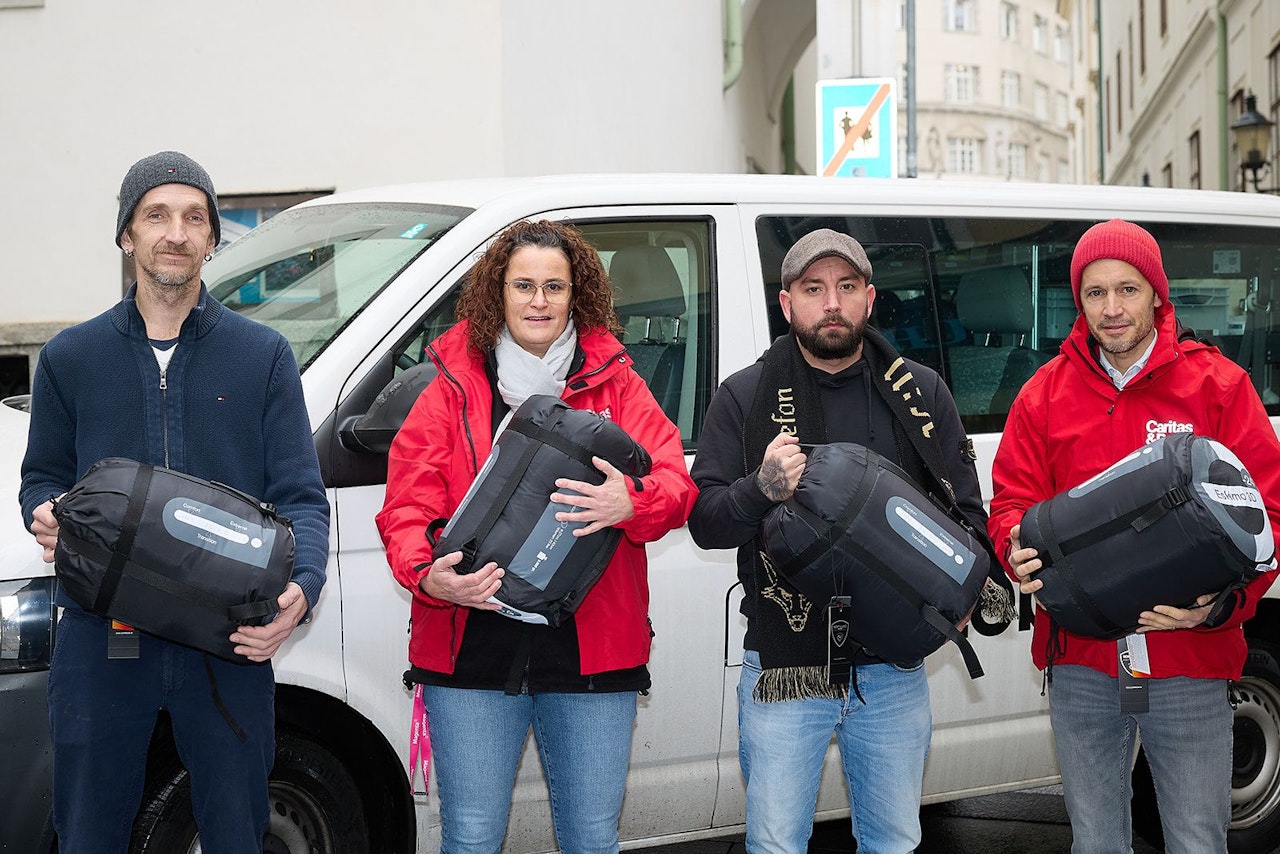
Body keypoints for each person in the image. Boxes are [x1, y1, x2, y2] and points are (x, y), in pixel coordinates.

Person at [18, 151, 331, 852]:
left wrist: (301, 591)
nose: (176, 233)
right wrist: (42, 510)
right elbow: (40, 478)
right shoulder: (72, 358)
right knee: (89, 834)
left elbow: (302, 498)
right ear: (127, 235)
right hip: (107, 635)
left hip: (227, 640)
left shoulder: (263, 357)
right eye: (156, 214)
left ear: (213, 239)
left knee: (235, 834)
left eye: (195, 218)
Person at [376, 219, 696, 854]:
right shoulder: (449, 383)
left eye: (555, 286)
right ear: (498, 293)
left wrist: (627, 502)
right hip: (469, 642)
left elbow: (677, 487)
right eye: (523, 285)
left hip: (591, 647)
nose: (539, 301)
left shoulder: (617, 381)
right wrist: (426, 576)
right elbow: (406, 505)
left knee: (590, 839)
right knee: (469, 837)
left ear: (576, 295)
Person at [688, 228, 996, 854]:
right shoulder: (744, 396)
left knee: (894, 841)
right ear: (788, 303)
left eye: (846, 287)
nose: (832, 302)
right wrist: (761, 488)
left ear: (869, 298)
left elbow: (967, 513)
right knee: (776, 844)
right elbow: (706, 521)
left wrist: (966, 587)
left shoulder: (923, 394)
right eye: (814, 288)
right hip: (786, 667)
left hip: (893, 668)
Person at [987, 219, 1280, 853]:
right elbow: (1011, 500)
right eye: (1095, 293)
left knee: (1198, 841)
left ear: (1157, 295)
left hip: (1190, 660)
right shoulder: (1043, 395)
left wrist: (1222, 606)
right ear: (1079, 301)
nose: (1113, 309)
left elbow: (1269, 517)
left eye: (1128, 289)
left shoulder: (1219, 386)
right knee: (1095, 843)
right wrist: (1014, 544)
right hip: (1083, 662)